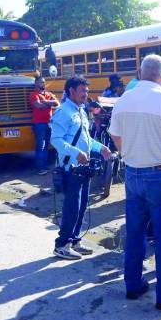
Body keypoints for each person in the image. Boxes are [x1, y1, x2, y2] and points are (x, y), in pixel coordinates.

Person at [109, 55, 161, 310]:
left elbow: (115, 134)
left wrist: (130, 152)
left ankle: (133, 285)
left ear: (139, 72)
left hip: (133, 173)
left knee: (135, 233)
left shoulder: (124, 99)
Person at [50, 76, 113, 260]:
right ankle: (62, 244)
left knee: (82, 205)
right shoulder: (63, 112)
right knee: (71, 207)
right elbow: (56, 140)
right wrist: (75, 152)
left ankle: (75, 240)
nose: (86, 94)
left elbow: (86, 139)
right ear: (71, 91)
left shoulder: (81, 111)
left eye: (87, 91)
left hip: (83, 168)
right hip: (70, 169)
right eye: (82, 91)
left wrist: (101, 148)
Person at [30, 76, 59, 175]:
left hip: (49, 123)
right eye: (41, 82)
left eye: (44, 82)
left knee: (46, 145)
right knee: (40, 146)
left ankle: (44, 165)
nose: (43, 84)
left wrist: (45, 102)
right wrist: (49, 103)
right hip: (39, 124)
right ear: (36, 84)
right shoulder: (34, 94)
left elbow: (57, 103)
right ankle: (40, 168)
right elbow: (38, 106)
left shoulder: (48, 94)